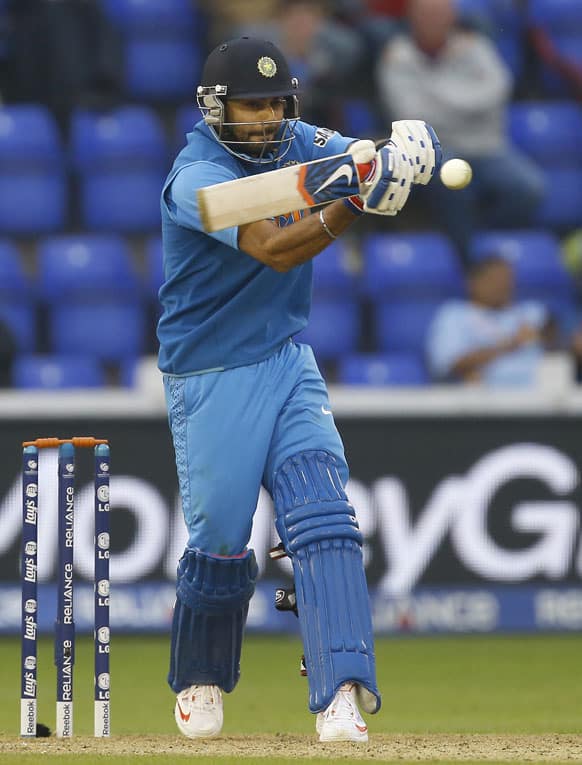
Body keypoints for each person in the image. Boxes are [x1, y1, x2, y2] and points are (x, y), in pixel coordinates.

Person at [157, 36, 439, 742]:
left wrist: (399, 150)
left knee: (325, 517)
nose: (269, 118)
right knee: (221, 542)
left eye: (278, 102)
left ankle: (340, 691)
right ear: (216, 109)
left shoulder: (294, 136)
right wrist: (352, 193)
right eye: (253, 105)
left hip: (286, 360)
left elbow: (359, 155)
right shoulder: (193, 177)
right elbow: (272, 247)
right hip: (211, 372)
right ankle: (199, 672)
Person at [376, 0, 545, 260]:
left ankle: (486, 244)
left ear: (452, 17)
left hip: (488, 147)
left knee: (529, 189)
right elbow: (410, 115)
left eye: (439, 14)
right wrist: (468, 106)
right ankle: (469, 261)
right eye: (426, 15)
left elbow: (497, 90)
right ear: (412, 18)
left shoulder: (475, 46)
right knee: (455, 187)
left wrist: (434, 95)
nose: (433, 21)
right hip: (437, 150)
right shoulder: (397, 55)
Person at [426, 256, 557, 386]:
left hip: (542, 393)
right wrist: (510, 345)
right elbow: (450, 362)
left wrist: (543, 336)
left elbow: (560, 345)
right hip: (487, 397)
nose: (502, 286)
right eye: (494, 280)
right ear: (473, 283)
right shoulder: (454, 314)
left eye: (507, 279)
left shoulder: (531, 311)